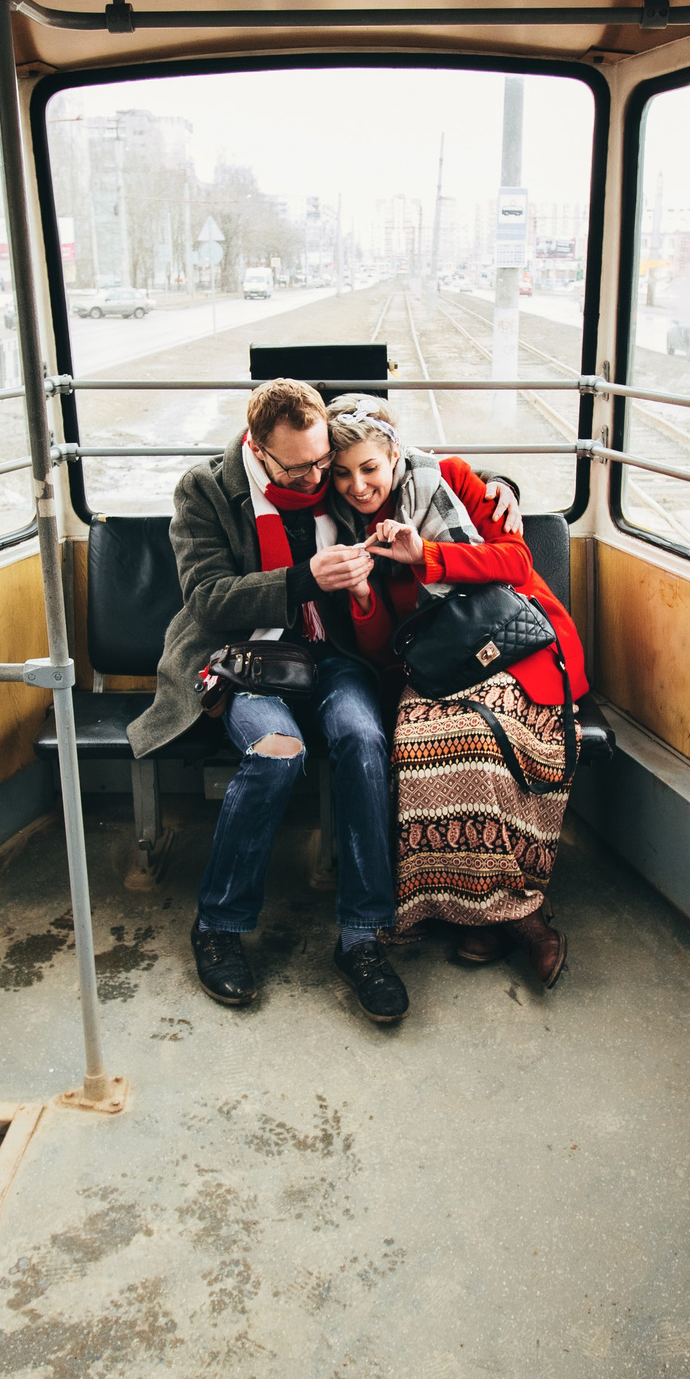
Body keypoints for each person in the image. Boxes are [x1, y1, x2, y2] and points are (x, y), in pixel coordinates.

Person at [132, 378, 506, 1025]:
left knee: (364, 740)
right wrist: (304, 578)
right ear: (257, 446)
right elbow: (208, 598)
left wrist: (503, 485)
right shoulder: (205, 491)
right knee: (278, 752)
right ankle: (218, 923)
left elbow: (404, 466)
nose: (316, 481)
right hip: (247, 658)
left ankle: (363, 936)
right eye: (299, 468)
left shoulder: (336, 469)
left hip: (331, 654)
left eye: (321, 463)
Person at [322, 394, 590, 988]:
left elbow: (515, 563)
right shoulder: (345, 528)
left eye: (368, 467)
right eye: (341, 474)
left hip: (513, 642)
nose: (357, 486)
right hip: (439, 661)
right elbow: (382, 646)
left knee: (483, 735)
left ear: (393, 454)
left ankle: (522, 919)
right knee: (424, 743)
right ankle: (487, 916)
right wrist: (363, 598)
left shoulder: (453, 480)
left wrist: (429, 556)